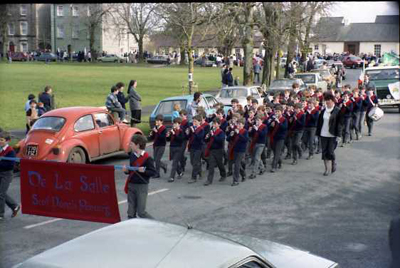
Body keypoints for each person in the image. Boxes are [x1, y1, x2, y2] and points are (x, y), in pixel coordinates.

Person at [122, 134, 156, 219]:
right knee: (130, 212)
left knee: (141, 212)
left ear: (137, 145)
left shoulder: (148, 158)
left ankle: (157, 225)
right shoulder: (132, 156)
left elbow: (153, 172)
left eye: (131, 144)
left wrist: (144, 171)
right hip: (131, 185)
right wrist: (126, 171)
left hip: (141, 186)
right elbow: (132, 171)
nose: (130, 145)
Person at [316, 93, 343, 176]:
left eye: (329, 102)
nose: (327, 104)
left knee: (330, 151)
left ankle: (333, 162)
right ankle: (327, 169)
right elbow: (319, 123)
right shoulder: (323, 111)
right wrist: (317, 134)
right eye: (326, 102)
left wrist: (339, 135)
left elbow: (340, 124)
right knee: (324, 152)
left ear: (333, 101)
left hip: (332, 134)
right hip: (323, 134)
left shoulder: (337, 111)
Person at [0, 131, 20, 220]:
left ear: (7, 141)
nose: (0, 142)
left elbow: (10, 165)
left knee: (1, 194)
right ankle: (15, 206)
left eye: (2, 140)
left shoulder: (10, 151)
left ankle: (0, 214)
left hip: (6, 174)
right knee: (1, 193)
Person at [204, 117, 226, 185]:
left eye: (215, 123)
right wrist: (207, 137)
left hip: (219, 150)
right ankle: (209, 180)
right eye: (213, 123)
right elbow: (207, 140)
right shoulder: (211, 131)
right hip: (212, 150)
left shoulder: (221, 132)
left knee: (220, 164)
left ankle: (223, 174)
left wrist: (213, 136)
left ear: (219, 124)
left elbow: (220, 140)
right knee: (211, 165)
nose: (213, 124)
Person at [228, 118, 248, 186]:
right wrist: (231, 135)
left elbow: (245, 140)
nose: (238, 126)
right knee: (237, 164)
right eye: (237, 124)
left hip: (241, 150)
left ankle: (236, 180)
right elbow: (228, 139)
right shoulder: (235, 131)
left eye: (240, 124)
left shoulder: (245, 131)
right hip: (235, 149)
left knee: (236, 165)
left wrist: (238, 133)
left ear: (243, 125)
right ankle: (243, 174)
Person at [248, 115, 268, 179]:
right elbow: (251, 135)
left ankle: (254, 173)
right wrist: (250, 131)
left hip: (261, 144)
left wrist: (257, 129)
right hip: (255, 143)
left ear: (262, 120)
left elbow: (263, 135)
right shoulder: (255, 126)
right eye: (256, 120)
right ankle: (262, 168)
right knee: (255, 157)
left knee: (256, 158)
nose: (257, 122)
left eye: (258, 120)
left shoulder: (264, 126)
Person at [269, 105, 288, 172]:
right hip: (274, 137)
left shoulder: (284, 120)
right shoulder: (273, 119)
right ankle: (279, 161)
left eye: (278, 111)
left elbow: (284, 128)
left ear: (282, 112)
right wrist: (271, 125)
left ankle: (274, 166)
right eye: (276, 111)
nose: (277, 113)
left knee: (277, 152)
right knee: (275, 152)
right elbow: (269, 129)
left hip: (281, 138)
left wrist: (278, 122)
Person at [187, 115, 205, 184]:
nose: (193, 123)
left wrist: (194, 131)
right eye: (193, 121)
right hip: (192, 147)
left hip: (199, 148)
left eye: (195, 121)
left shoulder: (201, 129)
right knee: (192, 161)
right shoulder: (192, 128)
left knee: (195, 163)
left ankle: (193, 177)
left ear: (199, 122)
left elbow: (199, 138)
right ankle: (200, 172)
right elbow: (189, 137)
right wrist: (188, 132)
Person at [166, 118, 185, 182]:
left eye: (176, 123)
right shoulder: (172, 131)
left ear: (179, 124)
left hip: (178, 148)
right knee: (175, 162)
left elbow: (180, 140)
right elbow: (169, 140)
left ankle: (172, 177)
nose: (174, 125)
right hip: (172, 147)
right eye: (174, 123)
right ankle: (180, 172)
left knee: (174, 163)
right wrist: (168, 136)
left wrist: (174, 133)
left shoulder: (181, 131)